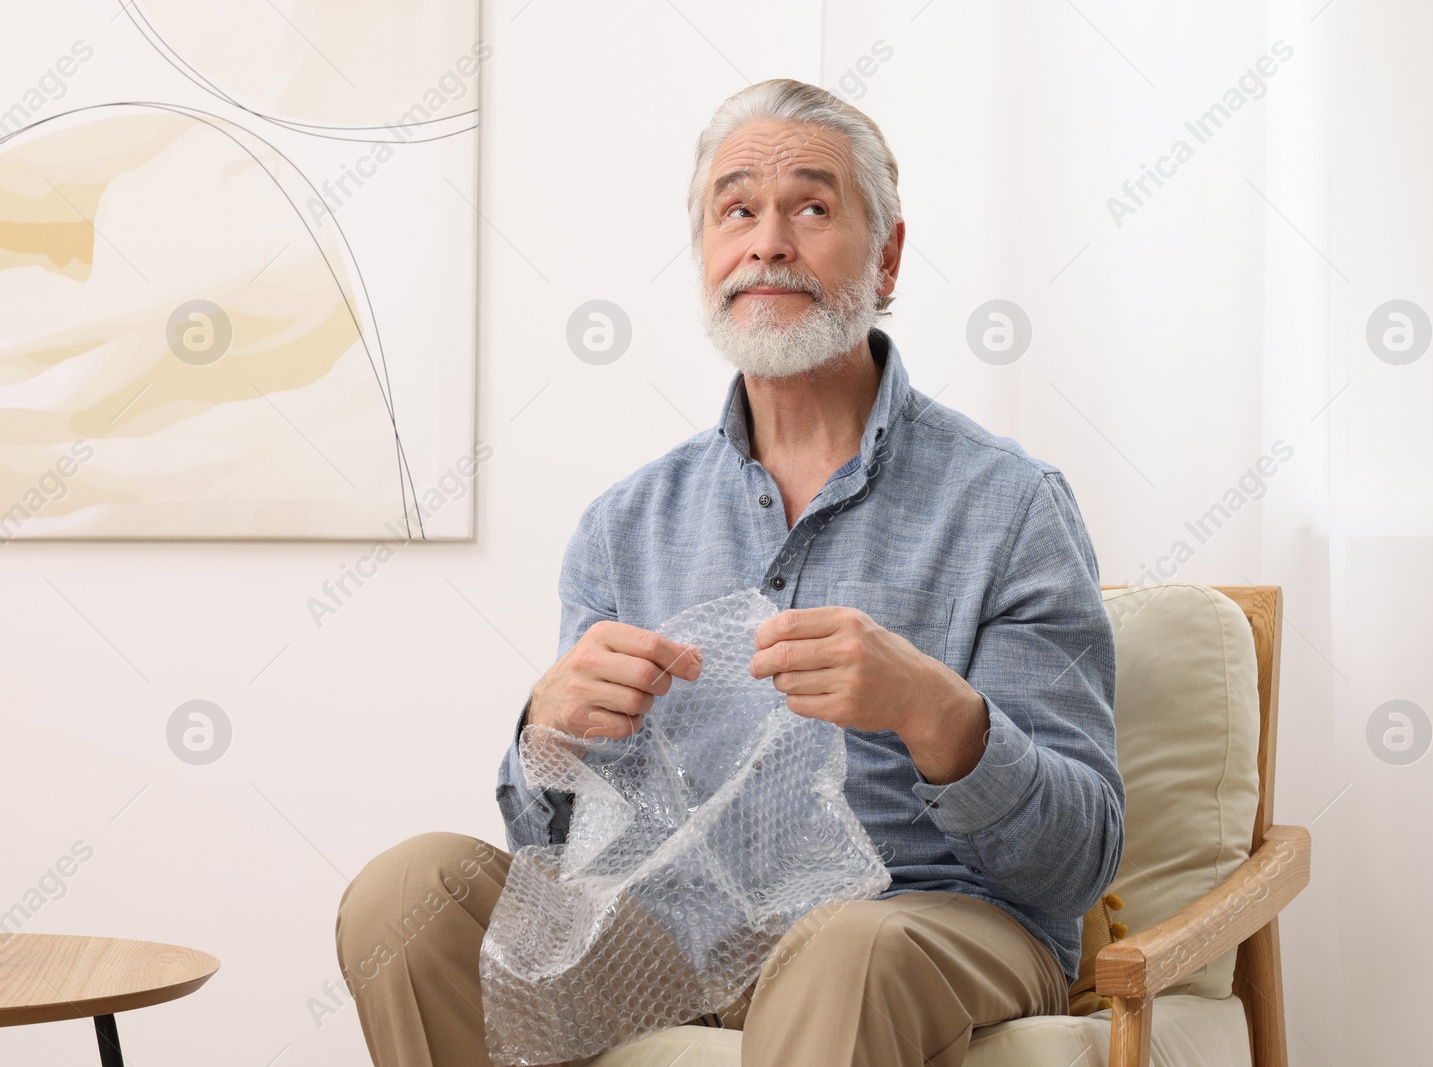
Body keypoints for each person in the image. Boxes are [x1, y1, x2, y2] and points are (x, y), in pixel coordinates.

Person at [335, 77, 1124, 1067]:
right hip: (673, 937)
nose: (767, 242)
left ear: (886, 255)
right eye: (737, 209)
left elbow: (1077, 857)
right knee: (406, 895)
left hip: (925, 920)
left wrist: (937, 712)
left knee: (845, 944)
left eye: (812, 207)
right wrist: (550, 734)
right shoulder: (624, 524)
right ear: (706, 251)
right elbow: (563, 844)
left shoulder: (1008, 504)